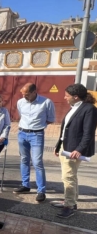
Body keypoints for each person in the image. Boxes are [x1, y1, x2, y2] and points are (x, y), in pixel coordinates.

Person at [52, 84, 97, 218]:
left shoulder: (89, 109)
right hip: (65, 147)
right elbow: (65, 129)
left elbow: (88, 133)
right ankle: (71, 201)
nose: (64, 98)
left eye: (67, 95)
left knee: (68, 177)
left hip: (73, 150)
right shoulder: (74, 108)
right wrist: (58, 144)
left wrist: (79, 149)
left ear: (75, 97)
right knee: (71, 176)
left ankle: (69, 206)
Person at [14, 83, 55, 202]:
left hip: (37, 134)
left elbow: (50, 119)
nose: (24, 96)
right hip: (22, 133)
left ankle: (41, 190)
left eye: (26, 94)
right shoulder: (20, 102)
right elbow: (22, 116)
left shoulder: (46, 102)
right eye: (22, 94)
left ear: (34, 92)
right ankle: (25, 185)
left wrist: (38, 126)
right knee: (24, 159)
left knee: (37, 162)